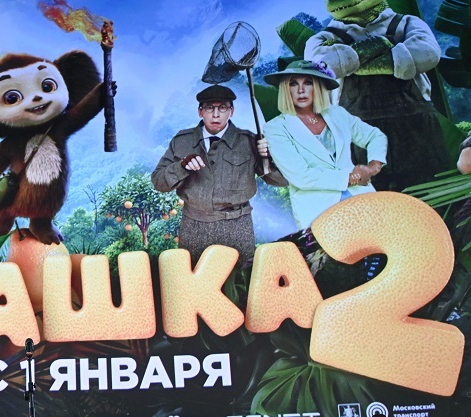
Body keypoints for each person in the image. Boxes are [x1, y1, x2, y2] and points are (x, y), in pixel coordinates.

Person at [305, 2, 446, 192]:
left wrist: (351, 62)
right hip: (360, 136)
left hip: (417, 130)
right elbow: (320, 68)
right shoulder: (323, 38)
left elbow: (427, 53)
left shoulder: (406, 22)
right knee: (372, 202)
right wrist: (381, 46)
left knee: (431, 194)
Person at [152, 84, 285, 263]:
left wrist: (270, 157)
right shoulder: (182, 141)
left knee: (240, 277)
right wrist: (181, 166)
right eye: (209, 108)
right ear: (200, 112)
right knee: (194, 276)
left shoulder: (249, 142)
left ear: (231, 111)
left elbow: (281, 180)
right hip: (194, 227)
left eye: (222, 108)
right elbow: (158, 182)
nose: (216, 115)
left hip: (237, 227)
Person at [263, 60, 387, 229]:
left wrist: (372, 168)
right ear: (285, 89)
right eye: (293, 84)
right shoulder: (276, 127)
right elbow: (301, 176)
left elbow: (374, 136)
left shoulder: (337, 113)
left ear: (318, 86)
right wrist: (350, 178)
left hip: (362, 199)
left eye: (308, 83)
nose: (301, 90)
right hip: (318, 210)